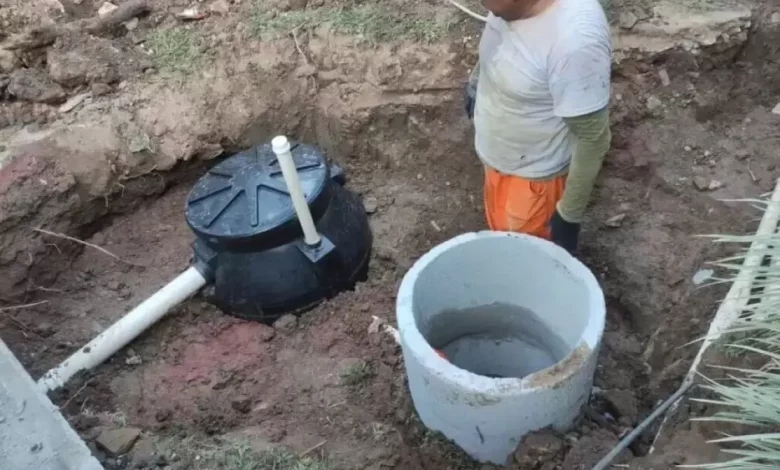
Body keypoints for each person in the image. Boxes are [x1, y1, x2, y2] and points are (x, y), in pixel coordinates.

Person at [465, 0, 612, 255]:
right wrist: (477, 80)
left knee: (527, 260)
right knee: (504, 238)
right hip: (501, 160)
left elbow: (594, 138)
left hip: (533, 183)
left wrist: (568, 215)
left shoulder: (575, 42)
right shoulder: (509, 6)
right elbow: (502, 38)